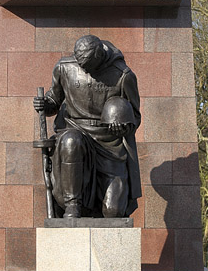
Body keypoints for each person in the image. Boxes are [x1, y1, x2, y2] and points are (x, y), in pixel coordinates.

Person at [33, 35, 141, 218]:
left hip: (109, 143)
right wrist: (45, 104)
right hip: (75, 130)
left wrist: (124, 126)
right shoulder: (64, 67)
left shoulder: (122, 75)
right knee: (70, 141)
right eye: (80, 64)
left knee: (114, 212)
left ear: (100, 58)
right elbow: (55, 99)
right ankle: (72, 204)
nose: (84, 69)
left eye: (88, 66)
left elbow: (135, 116)